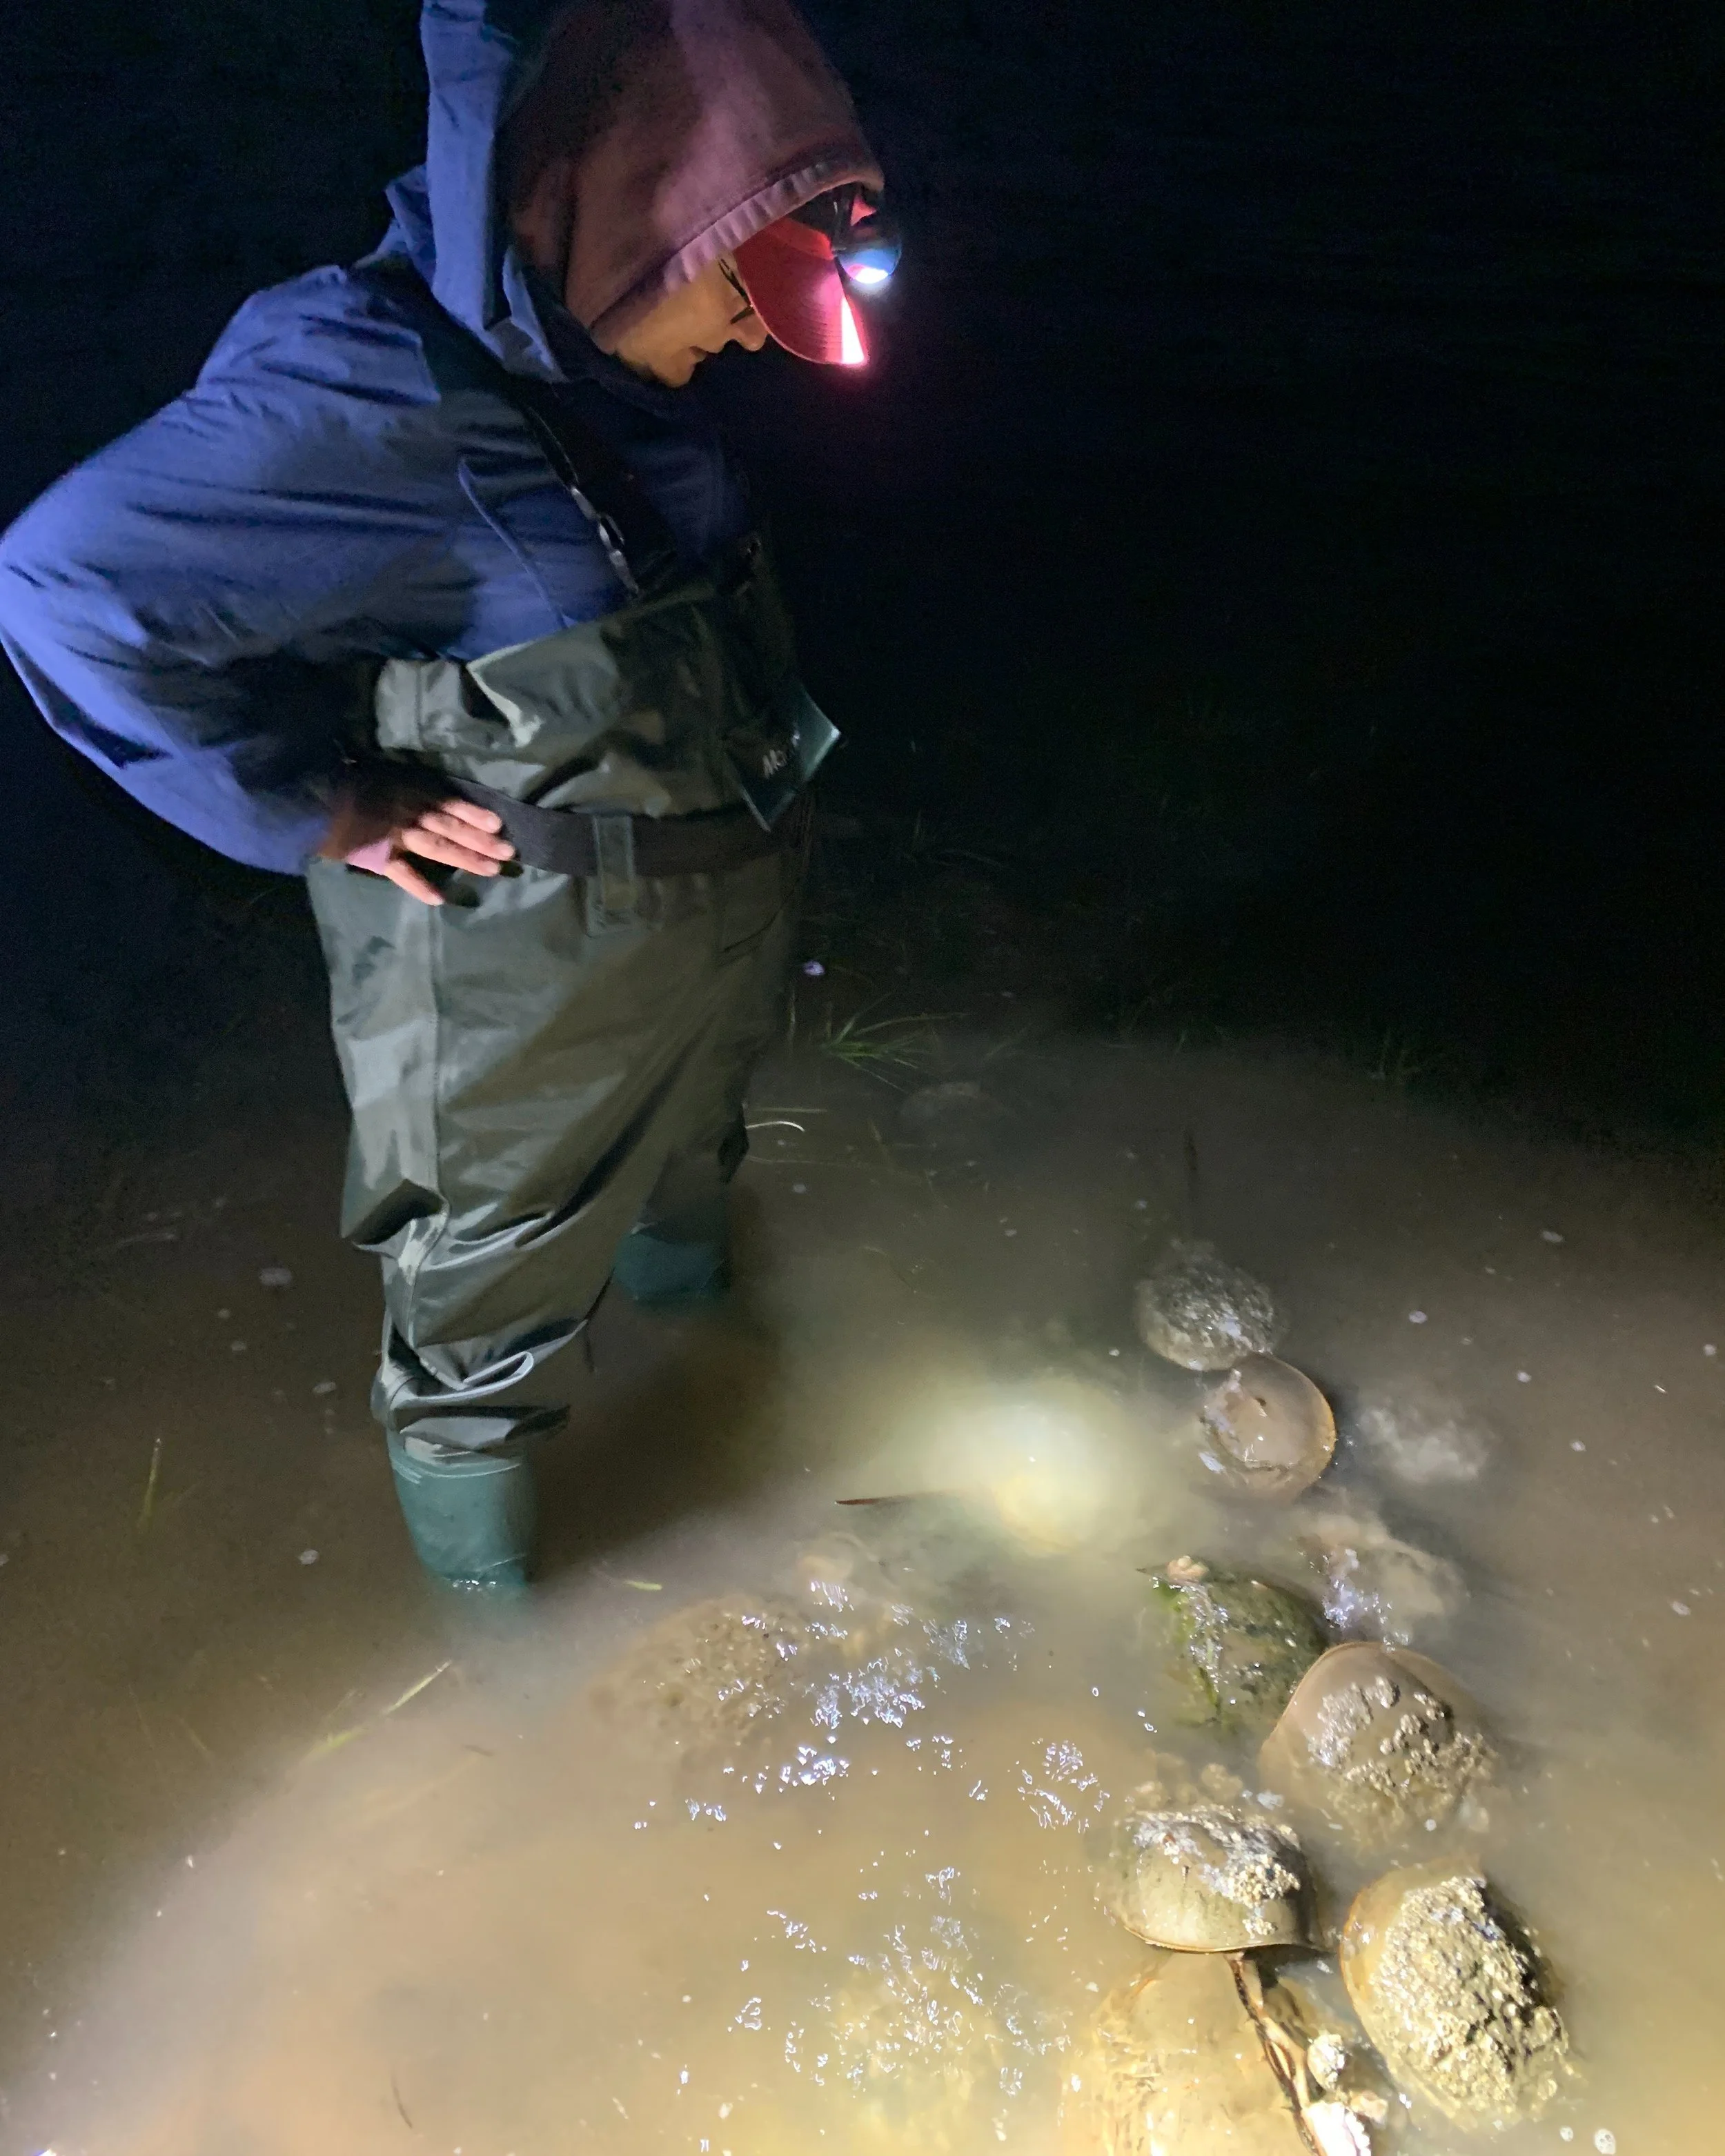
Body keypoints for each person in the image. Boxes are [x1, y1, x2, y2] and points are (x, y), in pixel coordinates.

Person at [0, 0, 894, 1588]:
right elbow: (67, 586)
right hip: (515, 991)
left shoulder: (600, 353)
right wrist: (318, 805)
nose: (764, 332)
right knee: (485, 1316)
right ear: (621, 213)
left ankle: (724, 1355)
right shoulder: (370, 392)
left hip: (687, 948)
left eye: (802, 278)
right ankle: (508, 1670)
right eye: (748, 278)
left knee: (693, 1163)